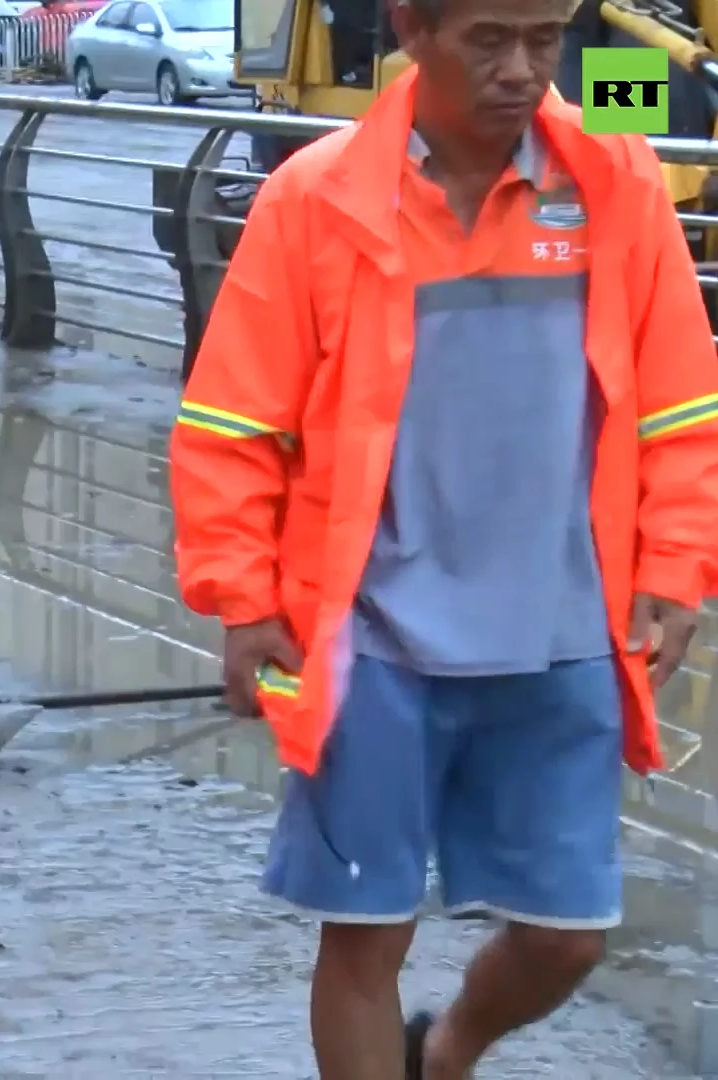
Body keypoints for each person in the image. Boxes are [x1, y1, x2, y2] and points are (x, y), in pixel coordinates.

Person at [169, 0, 718, 1073]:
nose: (523, 70)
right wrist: (245, 602)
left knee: (568, 936)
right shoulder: (315, 197)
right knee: (366, 933)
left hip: (563, 633)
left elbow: (681, 405)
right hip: (371, 639)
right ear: (412, 28)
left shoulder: (617, 180)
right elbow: (234, 423)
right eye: (489, 39)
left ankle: (452, 1047)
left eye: (546, 38)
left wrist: (675, 566)